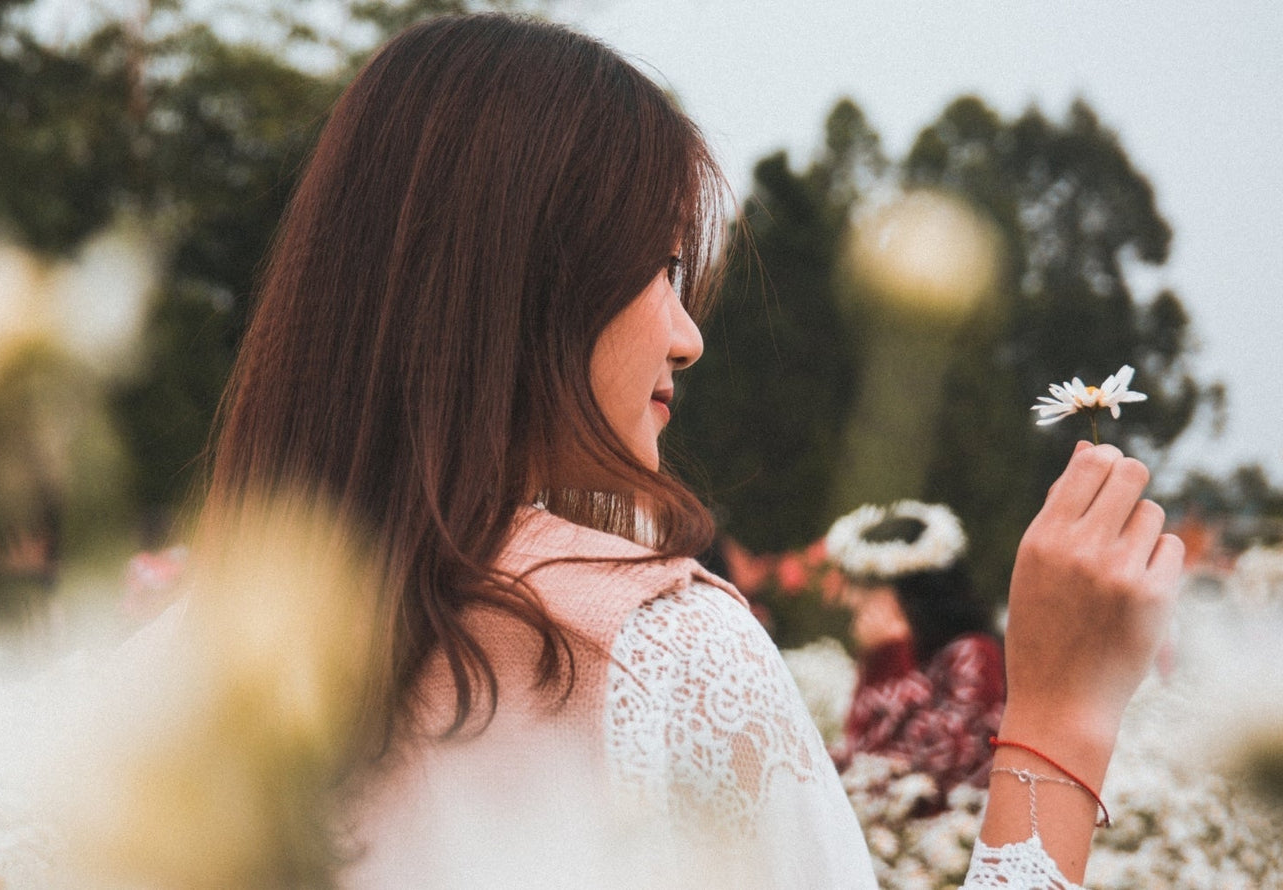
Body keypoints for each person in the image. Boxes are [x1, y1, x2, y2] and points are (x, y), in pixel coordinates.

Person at [199, 13, 1181, 887]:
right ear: (529, 271)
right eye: (661, 265)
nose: (687, 335)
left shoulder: (164, 681)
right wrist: (1058, 717)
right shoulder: (658, 657)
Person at [825, 501, 1005, 809]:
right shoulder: (908, 657)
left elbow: (928, 768)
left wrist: (889, 656)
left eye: (866, 586)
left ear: (908, 590)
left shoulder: (973, 654)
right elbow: (859, 756)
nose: (851, 599)